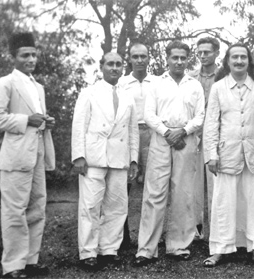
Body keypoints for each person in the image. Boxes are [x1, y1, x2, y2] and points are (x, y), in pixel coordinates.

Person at [202, 43, 254, 268]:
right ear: (227, 61)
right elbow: (211, 123)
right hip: (225, 154)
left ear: (249, 61)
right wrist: (211, 154)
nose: (239, 61)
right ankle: (220, 248)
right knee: (224, 201)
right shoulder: (219, 87)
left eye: (243, 57)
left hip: (253, 155)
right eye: (234, 57)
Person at [0, 32, 55, 278]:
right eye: (25, 55)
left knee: (37, 207)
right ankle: (13, 266)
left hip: (36, 154)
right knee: (15, 210)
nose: (31, 59)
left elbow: (36, 121)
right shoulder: (5, 83)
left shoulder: (38, 87)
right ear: (13, 57)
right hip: (16, 157)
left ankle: (30, 261)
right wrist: (27, 120)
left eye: (34, 55)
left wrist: (45, 121)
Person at [134, 41, 205, 266]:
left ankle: (178, 245)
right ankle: (146, 249)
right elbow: (148, 114)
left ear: (188, 59)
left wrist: (183, 132)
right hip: (161, 141)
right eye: (174, 57)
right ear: (167, 59)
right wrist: (167, 133)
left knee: (183, 193)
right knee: (154, 194)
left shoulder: (195, 85)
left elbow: (201, 116)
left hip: (186, 141)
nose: (179, 62)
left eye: (183, 58)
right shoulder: (156, 84)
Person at [71, 52, 139, 269]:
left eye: (119, 64)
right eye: (110, 64)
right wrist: (79, 156)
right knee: (91, 206)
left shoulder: (127, 95)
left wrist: (134, 159)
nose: (115, 68)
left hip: (119, 158)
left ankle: (109, 249)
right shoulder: (89, 92)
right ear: (102, 66)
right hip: (94, 157)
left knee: (117, 205)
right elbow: (79, 125)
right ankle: (88, 252)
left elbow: (132, 130)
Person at [119, 42, 157, 249]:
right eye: (136, 56)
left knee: (153, 186)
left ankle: (150, 237)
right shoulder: (123, 83)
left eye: (144, 56)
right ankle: (122, 237)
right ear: (130, 59)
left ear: (148, 58)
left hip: (152, 134)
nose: (140, 60)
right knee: (124, 186)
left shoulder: (157, 81)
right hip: (128, 135)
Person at [189, 37, 220, 239]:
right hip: (195, 135)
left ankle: (218, 231)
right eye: (199, 52)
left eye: (207, 52)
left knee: (217, 184)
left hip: (218, 136)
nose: (202, 56)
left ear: (217, 53)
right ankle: (195, 231)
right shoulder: (191, 78)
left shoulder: (225, 76)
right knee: (193, 185)